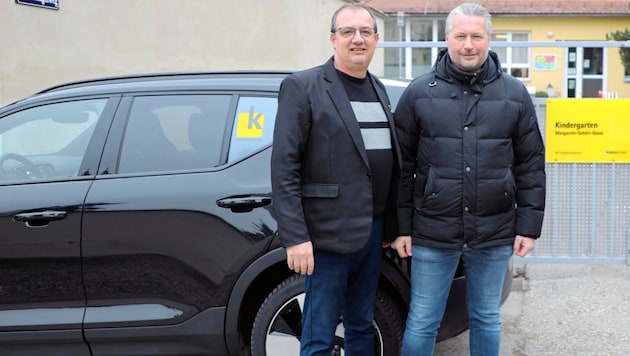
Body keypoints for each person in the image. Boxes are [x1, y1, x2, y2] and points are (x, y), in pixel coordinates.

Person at [390, 3, 546, 356]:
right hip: (432, 231)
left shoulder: (514, 94)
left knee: (487, 317)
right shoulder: (419, 93)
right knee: (423, 320)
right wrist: (400, 227)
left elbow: (531, 164)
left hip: (494, 230)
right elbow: (402, 167)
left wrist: (528, 226)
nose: (468, 44)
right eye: (460, 36)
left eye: (477, 36)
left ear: (489, 39)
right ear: (447, 39)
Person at [270, 3, 401, 355]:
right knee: (319, 332)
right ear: (333, 39)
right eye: (347, 32)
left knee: (361, 324)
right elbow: (284, 167)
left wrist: (392, 226)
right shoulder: (304, 87)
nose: (357, 39)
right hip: (326, 237)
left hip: (372, 234)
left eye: (365, 32)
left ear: (376, 39)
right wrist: (295, 238)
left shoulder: (378, 88)